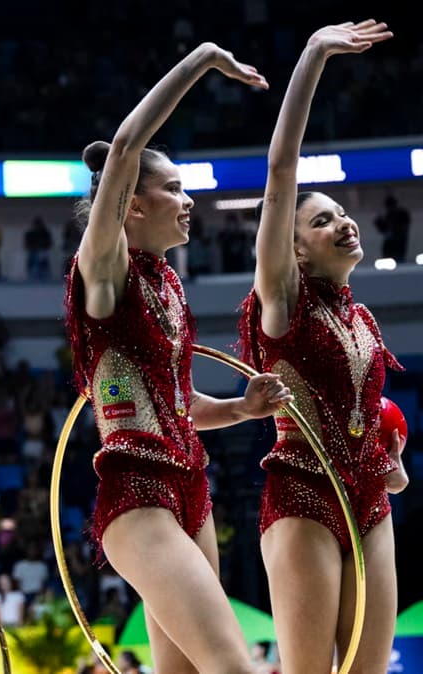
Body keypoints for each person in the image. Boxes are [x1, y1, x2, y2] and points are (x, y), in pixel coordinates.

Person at [66, 42, 288, 673]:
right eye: (174, 189)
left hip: (192, 488)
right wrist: (202, 61)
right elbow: (128, 145)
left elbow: (180, 404)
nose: (188, 201)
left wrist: (242, 408)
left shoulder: (167, 283)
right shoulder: (104, 272)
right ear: (131, 204)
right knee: (234, 666)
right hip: (137, 494)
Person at [238, 20, 403, 674]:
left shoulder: (363, 317)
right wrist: (312, 53)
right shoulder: (283, 302)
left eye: (343, 212)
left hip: (370, 501)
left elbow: (370, 417)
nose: (345, 222)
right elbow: (281, 173)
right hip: (303, 493)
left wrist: (390, 456)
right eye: (322, 219)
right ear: (295, 246)